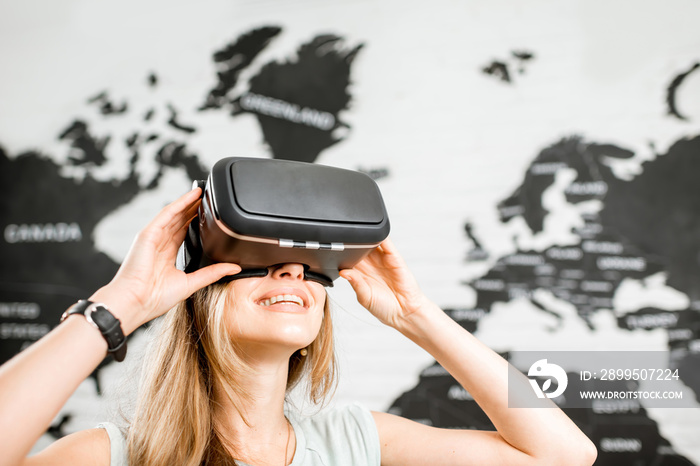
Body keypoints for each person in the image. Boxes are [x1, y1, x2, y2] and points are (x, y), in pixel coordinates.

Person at [0, 187, 597, 465]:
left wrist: (418, 317)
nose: (292, 270)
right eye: (259, 261)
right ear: (200, 295)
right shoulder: (112, 456)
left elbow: (565, 457)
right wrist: (120, 304)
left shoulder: (355, 441)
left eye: (313, 270)